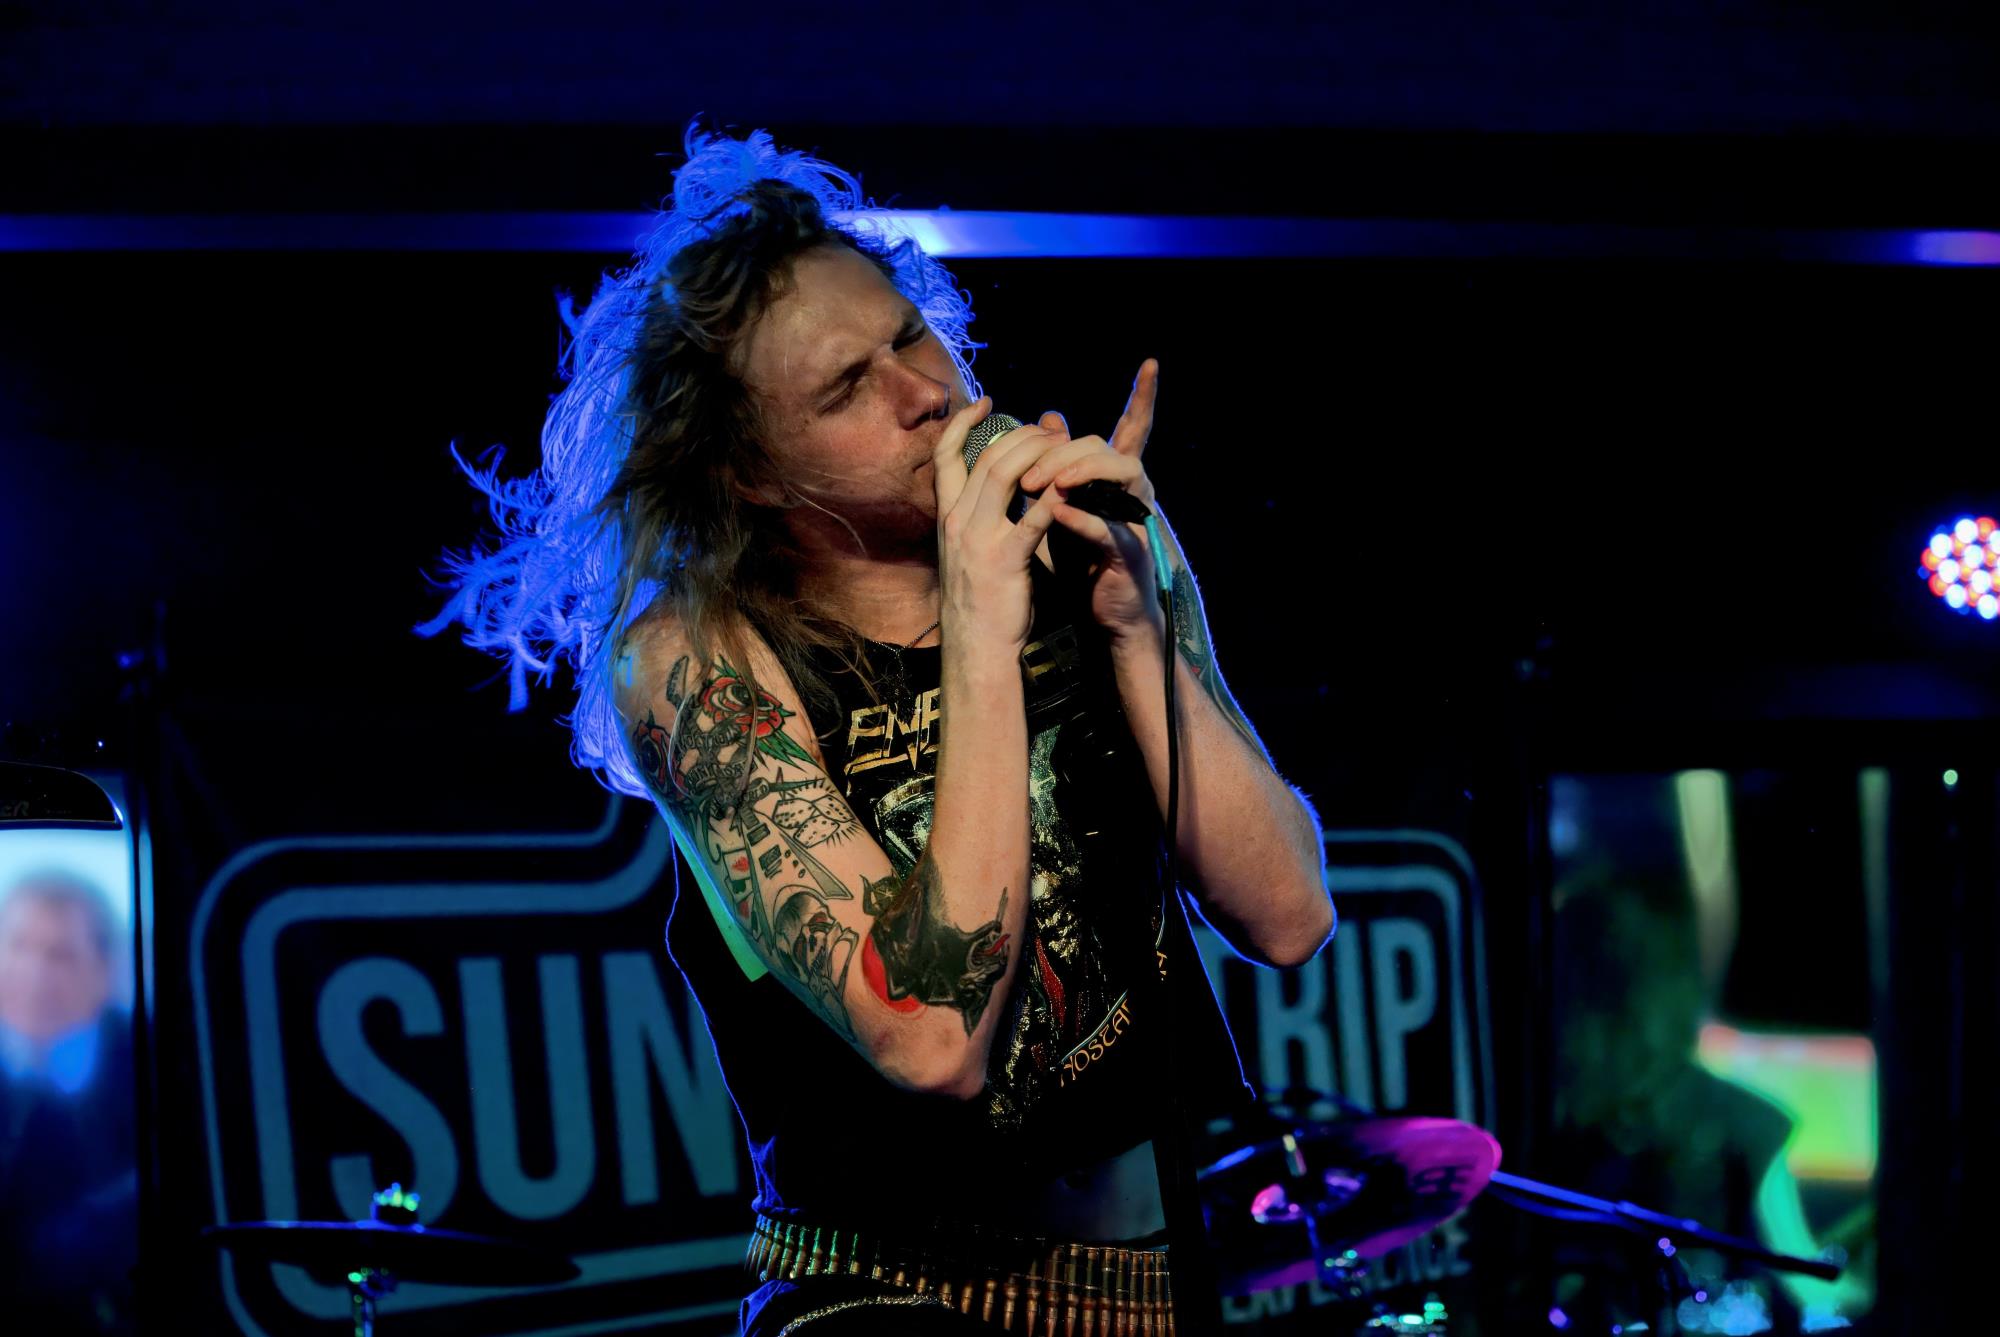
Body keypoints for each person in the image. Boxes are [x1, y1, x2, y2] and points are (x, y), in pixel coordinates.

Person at [419, 122, 1334, 1335]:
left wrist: (1131, 624)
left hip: (1156, 1282)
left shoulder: (1088, 543)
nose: (923, 394)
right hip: (885, 1290)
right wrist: (979, 620)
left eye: (909, 336)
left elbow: (1288, 916)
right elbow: (930, 1039)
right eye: (846, 388)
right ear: (749, 470)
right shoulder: (695, 657)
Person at [0, 868, 138, 1333]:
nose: (35, 975)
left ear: (105, 971)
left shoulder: (161, 1059)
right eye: (18, 948)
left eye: (60, 955)